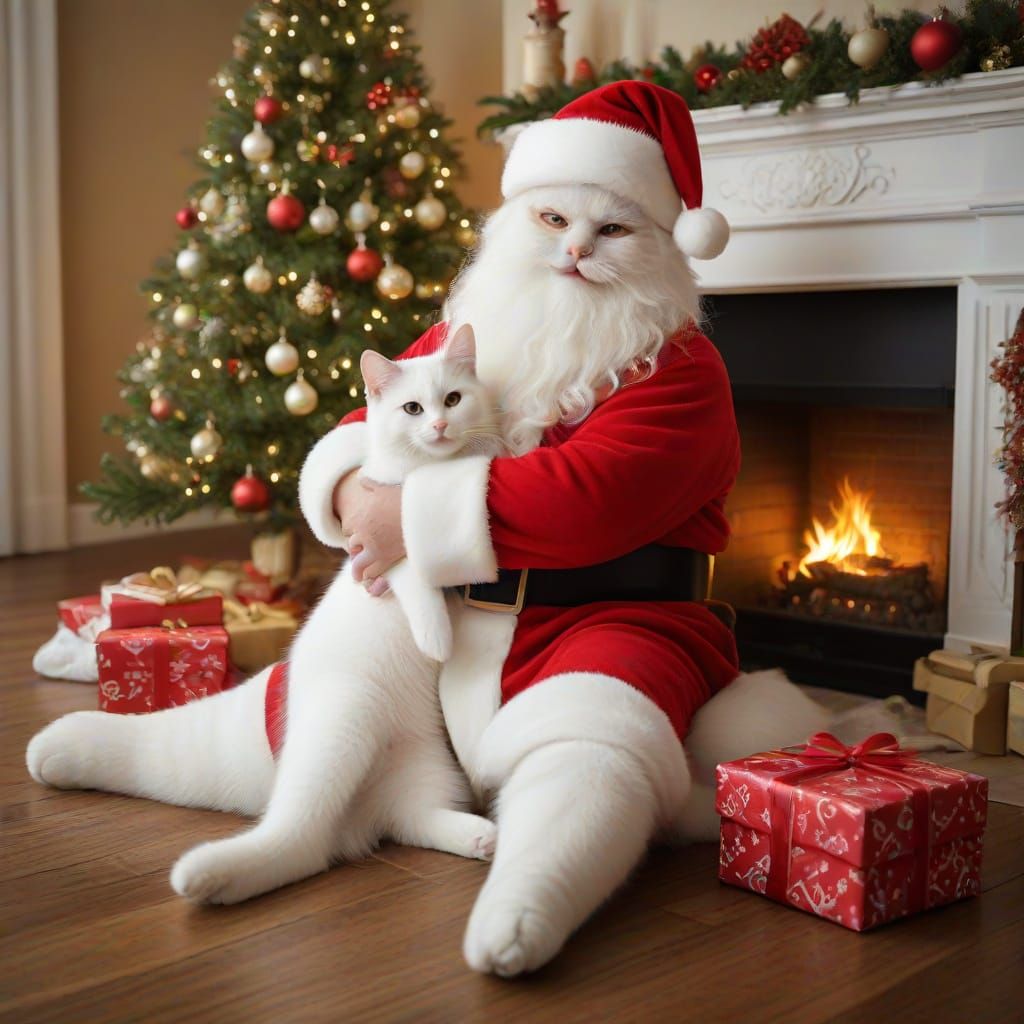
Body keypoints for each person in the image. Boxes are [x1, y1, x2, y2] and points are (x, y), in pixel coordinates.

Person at [299, 81, 824, 976]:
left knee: (593, 744)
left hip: (614, 618)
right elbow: (373, 417)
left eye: (613, 229)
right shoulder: (477, 327)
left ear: (664, 244)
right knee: (309, 707)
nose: (576, 248)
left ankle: (533, 890)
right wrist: (352, 493)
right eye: (551, 219)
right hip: (452, 619)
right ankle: (149, 753)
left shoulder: (685, 372)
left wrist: (406, 516)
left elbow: (589, 496)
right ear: (514, 221)